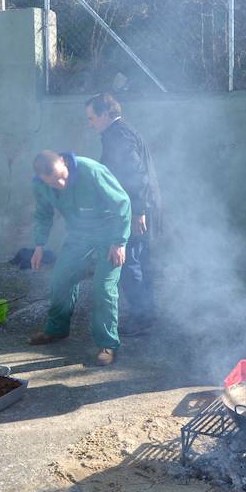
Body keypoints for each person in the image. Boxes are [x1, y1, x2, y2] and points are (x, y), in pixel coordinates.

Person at [28, 150, 132, 366]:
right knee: (60, 279)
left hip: (109, 234)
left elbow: (122, 203)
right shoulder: (39, 185)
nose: (61, 183)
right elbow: (43, 213)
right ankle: (57, 330)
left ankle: (108, 344)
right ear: (42, 179)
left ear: (64, 162)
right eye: (54, 182)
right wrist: (39, 245)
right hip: (78, 236)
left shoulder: (91, 171)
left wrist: (119, 242)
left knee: (102, 288)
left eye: (62, 176)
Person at [85, 93, 161, 335]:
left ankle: (142, 318)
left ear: (107, 114)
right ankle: (146, 314)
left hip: (136, 210)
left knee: (130, 264)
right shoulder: (119, 132)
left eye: (92, 117)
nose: (91, 123)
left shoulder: (118, 135)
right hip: (140, 207)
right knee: (139, 261)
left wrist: (138, 211)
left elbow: (135, 173)